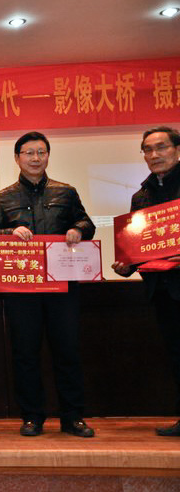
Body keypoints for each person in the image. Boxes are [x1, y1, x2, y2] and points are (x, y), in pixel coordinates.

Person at [0, 131, 96, 438]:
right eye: (29, 153)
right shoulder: (3, 197)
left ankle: (73, 417)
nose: (35, 158)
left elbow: (87, 223)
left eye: (41, 152)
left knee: (67, 351)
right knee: (25, 353)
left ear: (47, 156)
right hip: (22, 287)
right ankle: (32, 416)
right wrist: (9, 232)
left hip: (62, 285)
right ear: (17, 158)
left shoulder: (66, 192)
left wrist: (77, 229)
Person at [112, 126, 180, 436]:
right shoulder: (140, 197)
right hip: (163, 291)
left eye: (161, 147)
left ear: (176, 149)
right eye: (148, 150)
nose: (154, 154)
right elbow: (138, 248)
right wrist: (126, 264)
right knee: (176, 354)